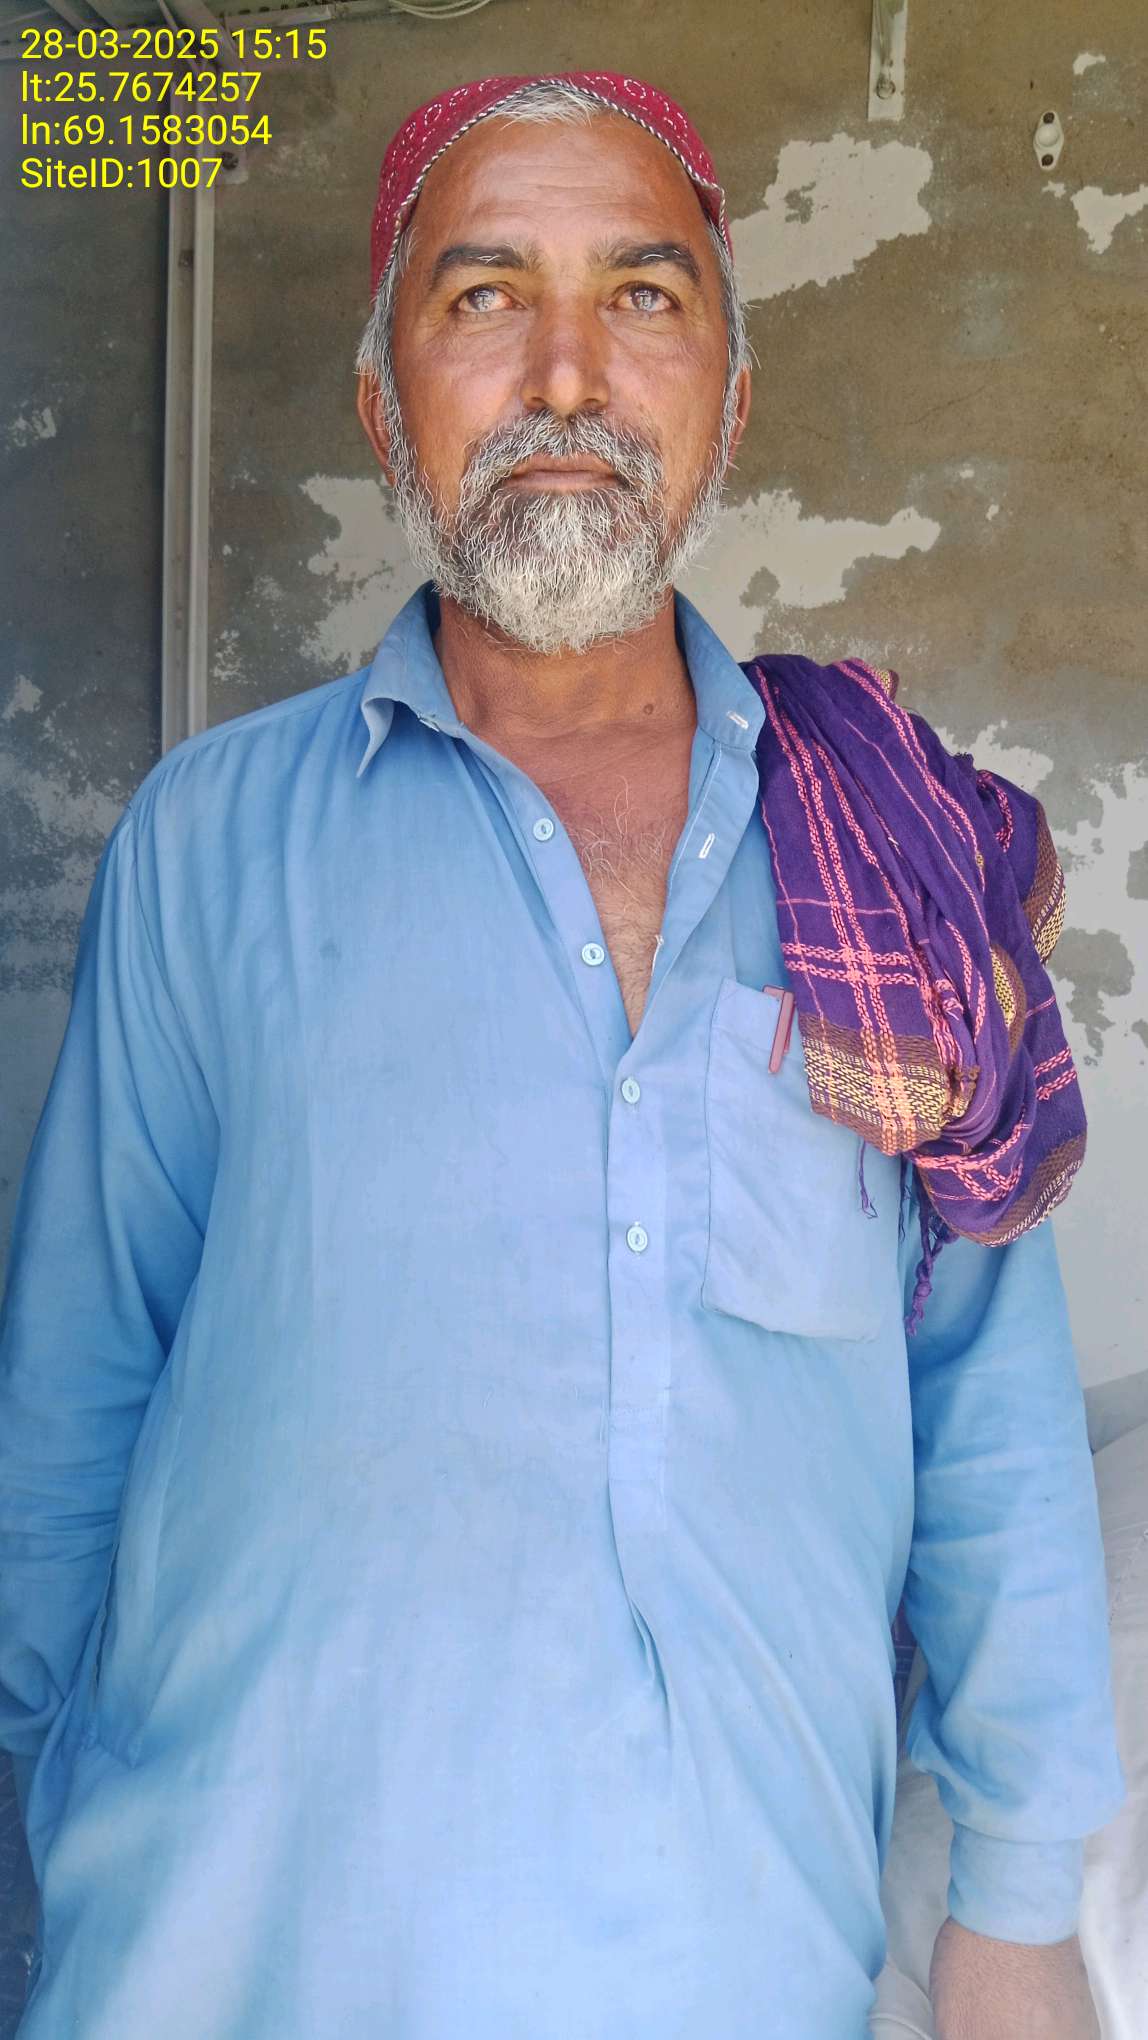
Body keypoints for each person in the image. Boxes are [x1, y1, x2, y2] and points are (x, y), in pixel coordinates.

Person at [0, 70, 1124, 2040]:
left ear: (730, 401)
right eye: (483, 295)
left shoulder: (889, 857)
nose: (567, 374)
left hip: (716, 1965)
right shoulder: (207, 842)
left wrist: (1019, 1906)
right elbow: (73, 1399)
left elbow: (988, 1418)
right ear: (385, 408)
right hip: (220, 1944)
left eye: (643, 296)